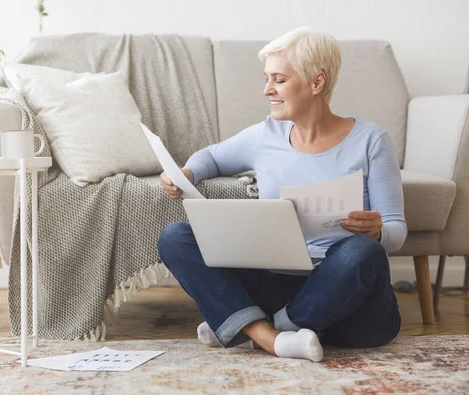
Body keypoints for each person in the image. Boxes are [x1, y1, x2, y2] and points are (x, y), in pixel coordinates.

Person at [157, 27, 407, 363]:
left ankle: (250, 329)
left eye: (278, 79)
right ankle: (272, 338)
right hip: (277, 286)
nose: (267, 90)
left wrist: (378, 231)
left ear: (316, 83)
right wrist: (186, 173)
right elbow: (211, 157)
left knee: (364, 251)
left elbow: (396, 231)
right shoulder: (267, 134)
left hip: (351, 307)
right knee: (176, 237)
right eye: (267, 79)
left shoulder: (371, 141)